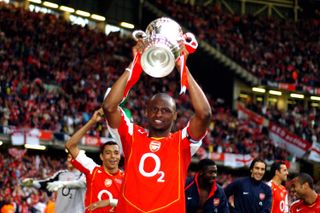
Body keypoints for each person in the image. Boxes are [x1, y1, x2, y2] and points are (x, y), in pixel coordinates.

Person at [103, 42, 212, 212]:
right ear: (146, 112)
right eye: (154, 109)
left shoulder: (182, 143)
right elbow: (109, 106)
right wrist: (136, 64)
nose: (159, 114)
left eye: (165, 110)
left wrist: (182, 67)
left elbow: (204, 114)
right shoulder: (132, 135)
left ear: (175, 115)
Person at [65, 108, 124, 212]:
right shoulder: (93, 169)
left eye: (116, 153)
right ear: (101, 156)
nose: (113, 156)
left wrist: (110, 202)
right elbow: (70, 145)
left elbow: (133, 204)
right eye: (108, 153)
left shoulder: (126, 179)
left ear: (119, 156)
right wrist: (92, 122)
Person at [21, 154, 86, 213]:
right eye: (68, 157)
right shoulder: (61, 175)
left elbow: (80, 183)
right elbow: (46, 184)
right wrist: (33, 183)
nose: (69, 160)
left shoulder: (84, 175)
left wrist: (62, 184)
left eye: (73, 158)